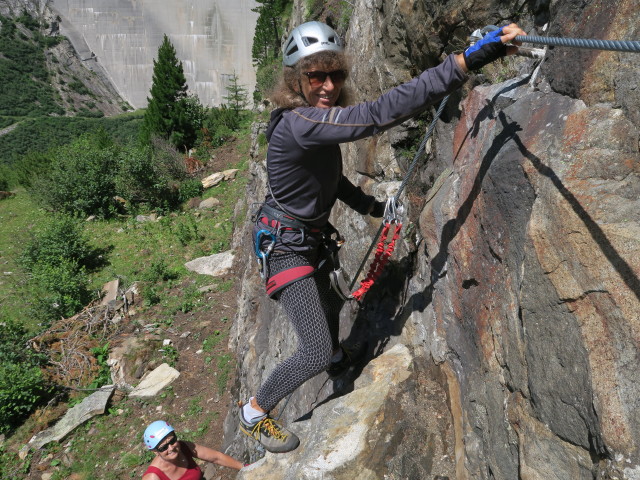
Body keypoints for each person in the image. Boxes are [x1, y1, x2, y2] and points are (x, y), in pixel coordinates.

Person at [240, 20, 527, 453]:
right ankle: (255, 412)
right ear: (295, 80)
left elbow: (331, 180)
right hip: (284, 249)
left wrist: (373, 208)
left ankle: (339, 360)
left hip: (306, 239)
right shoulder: (299, 122)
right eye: (315, 76)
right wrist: (466, 61)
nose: (328, 86)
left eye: (336, 75)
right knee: (314, 350)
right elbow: (376, 115)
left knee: (332, 304)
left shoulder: (311, 124)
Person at [142, 420, 244, 479]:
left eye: (172, 440)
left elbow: (216, 457)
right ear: (155, 452)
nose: (171, 447)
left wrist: (244, 468)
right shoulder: (153, 477)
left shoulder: (185, 447)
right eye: (164, 447)